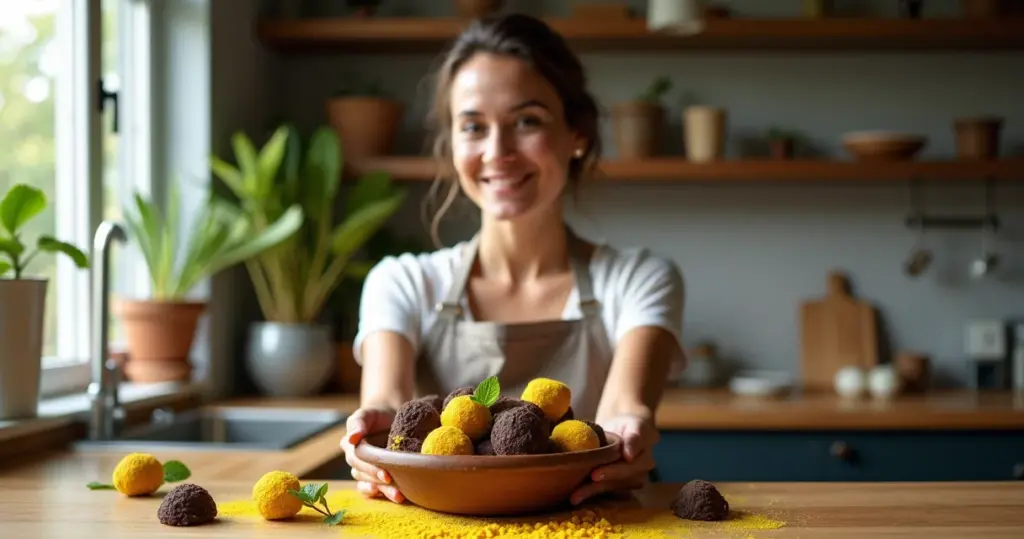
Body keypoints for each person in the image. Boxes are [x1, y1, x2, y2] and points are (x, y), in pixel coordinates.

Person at [339, 13, 686, 507]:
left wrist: (629, 433)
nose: (497, 151)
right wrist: (370, 439)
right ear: (453, 144)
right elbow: (388, 407)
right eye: (474, 126)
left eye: (527, 121)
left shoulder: (638, 280)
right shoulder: (402, 282)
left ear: (577, 135)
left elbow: (622, 416)